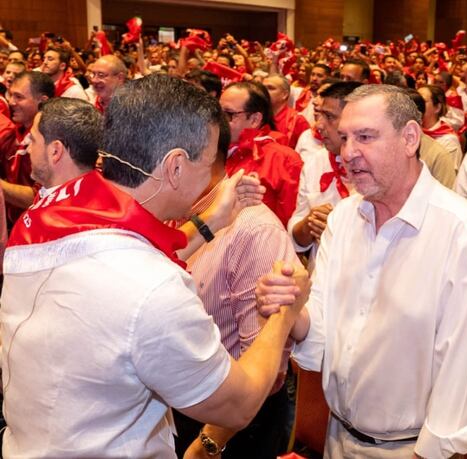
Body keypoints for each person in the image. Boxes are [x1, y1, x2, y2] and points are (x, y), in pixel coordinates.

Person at [0, 74, 304, 458]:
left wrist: (211, 221)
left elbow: (131, 246)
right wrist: (285, 312)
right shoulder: (154, 287)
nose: (215, 174)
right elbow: (236, 405)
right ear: (175, 166)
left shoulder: (48, 216)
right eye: (210, 161)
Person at [258, 84, 467, 458]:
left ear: (410, 138)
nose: (348, 152)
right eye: (345, 138)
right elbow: (322, 332)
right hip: (337, 435)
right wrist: (292, 310)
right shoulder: (343, 218)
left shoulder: (462, 233)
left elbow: (462, 368)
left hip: (411, 448)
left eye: (365, 137)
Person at [174, 115, 299, 459]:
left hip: (229, 425)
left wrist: (208, 444)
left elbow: (265, 366)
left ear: (181, 163)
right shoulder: (176, 215)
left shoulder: (253, 229)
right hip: (180, 405)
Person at [288, 81, 361, 265]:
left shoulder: (385, 170)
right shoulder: (316, 162)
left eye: (329, 116)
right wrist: (310, 224)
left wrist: (339, 229)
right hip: (319, 275)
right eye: (320, 115)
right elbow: (298, 238)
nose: (319, 125)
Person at [220, 81, 303, 227]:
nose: (218, 121)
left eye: (228, 114)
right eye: (217, 112)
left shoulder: (284, 160)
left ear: (254, 119)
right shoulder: (208, 150)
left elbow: (287, 226)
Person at [2, 71, 53, 218]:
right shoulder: (12, 133)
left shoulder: (52, 142)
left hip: (38, 224)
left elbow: (40, 197)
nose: (11, 102)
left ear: (42, 102)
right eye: (11, 95)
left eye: (19, 97)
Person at [418, 85, 463, 170]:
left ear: (437, 108)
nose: (416, 105)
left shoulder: (448, 140)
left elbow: (448, 175)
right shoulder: (411, 132)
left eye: (422, 101)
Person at [264, 74, 310, 149]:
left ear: (284, 95)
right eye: (263, 88)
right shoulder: (256, 116)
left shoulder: (297, 121)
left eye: (270, 88)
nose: (264, 92)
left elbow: (307, 151)